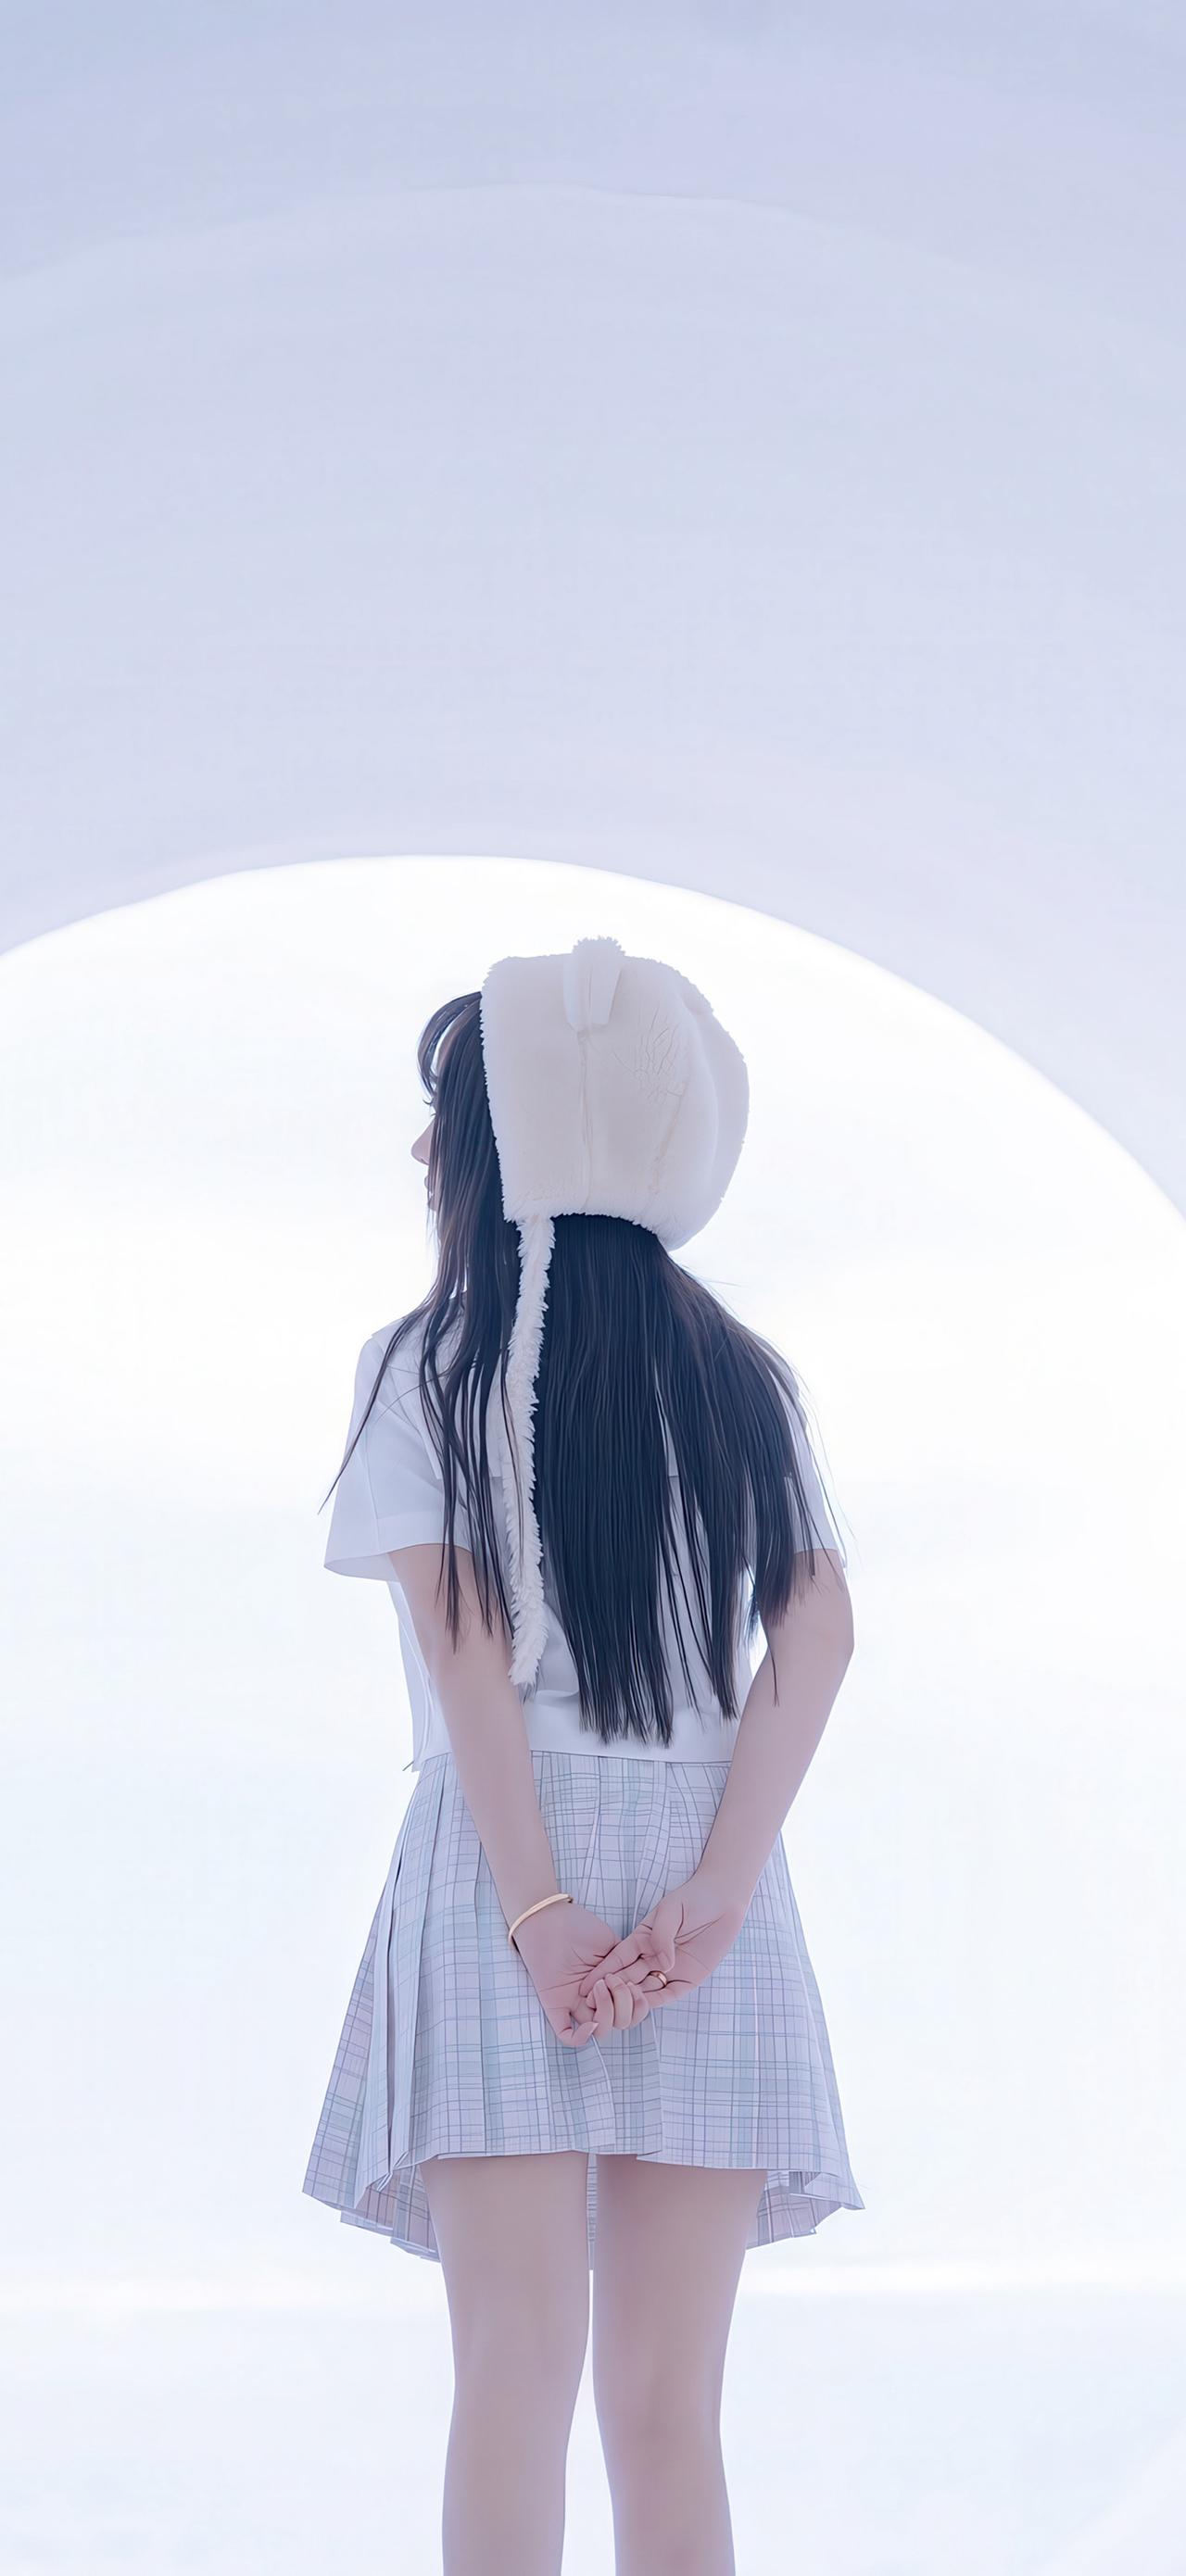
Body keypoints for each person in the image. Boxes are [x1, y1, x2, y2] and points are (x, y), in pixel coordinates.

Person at [303, 934, 864, 2576]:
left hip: (500, 1861)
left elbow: (467, 1649)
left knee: (512, 2375)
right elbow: (820, 1634)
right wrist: (716, 1888)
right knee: (671, 2411)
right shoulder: (741, 1376)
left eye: (452, 1109)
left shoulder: (429, 1361)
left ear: (522, 1131)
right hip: (708, 1864)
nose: (425, 1146)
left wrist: (541, 1909)